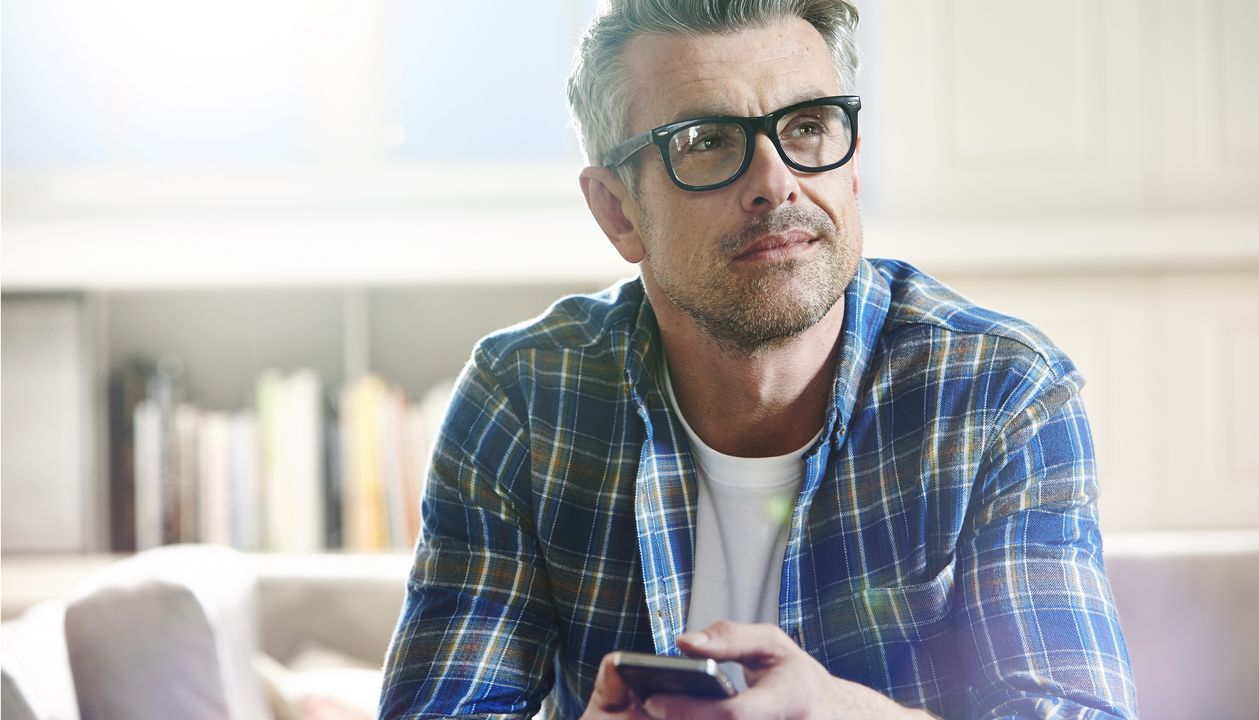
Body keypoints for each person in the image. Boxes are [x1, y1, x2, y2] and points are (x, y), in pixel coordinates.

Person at [378, 0, 1139, 717]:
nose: (776, 182)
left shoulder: (1000, 392)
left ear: (854, 165)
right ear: (618, 211)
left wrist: (837, 714)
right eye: (706, 142)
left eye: (807, 126)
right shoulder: (524, 401)